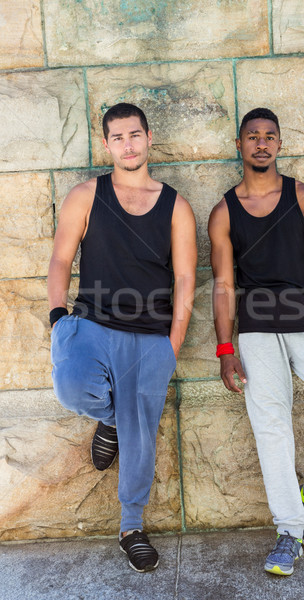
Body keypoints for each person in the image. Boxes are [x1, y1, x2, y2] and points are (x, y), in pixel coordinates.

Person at [208, 107, 304, 576]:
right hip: (255, 331)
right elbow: (223, 285)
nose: (261, 144)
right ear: (240, 146)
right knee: (272, 426)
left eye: (269, 136)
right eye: (252, 136)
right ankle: (289, 531)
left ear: (279, 144)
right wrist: (225, 349)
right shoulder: (223, 211)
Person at [48, 102, 197, 572]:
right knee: (71, 387)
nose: (128, 145)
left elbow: (186, 279)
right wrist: (57, 318)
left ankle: (131, 526)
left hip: (150, 335)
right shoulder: (87, 195)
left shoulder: (176, 206)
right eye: (118, 138)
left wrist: (171, 346)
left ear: (149, 138)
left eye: (135, 135)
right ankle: (111, 421)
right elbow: (59, 259)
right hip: (90, 324)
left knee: (142, 437)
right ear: (107, 144)